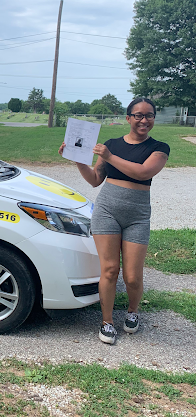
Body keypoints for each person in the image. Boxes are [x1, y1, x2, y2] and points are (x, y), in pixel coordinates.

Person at [58, 98, 169, 344]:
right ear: (128, 118)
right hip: (107, 211)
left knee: (132, 276)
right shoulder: (112, 144)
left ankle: (132, 311)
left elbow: (143, 172)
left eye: (149, 115)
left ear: (153, 118)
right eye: (138, 115)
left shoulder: (159, 148)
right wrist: (77, 158)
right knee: (109, 270)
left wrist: (109, 156)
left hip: (137, 216)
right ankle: (106, 322)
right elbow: (96, 179)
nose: (144, 120)